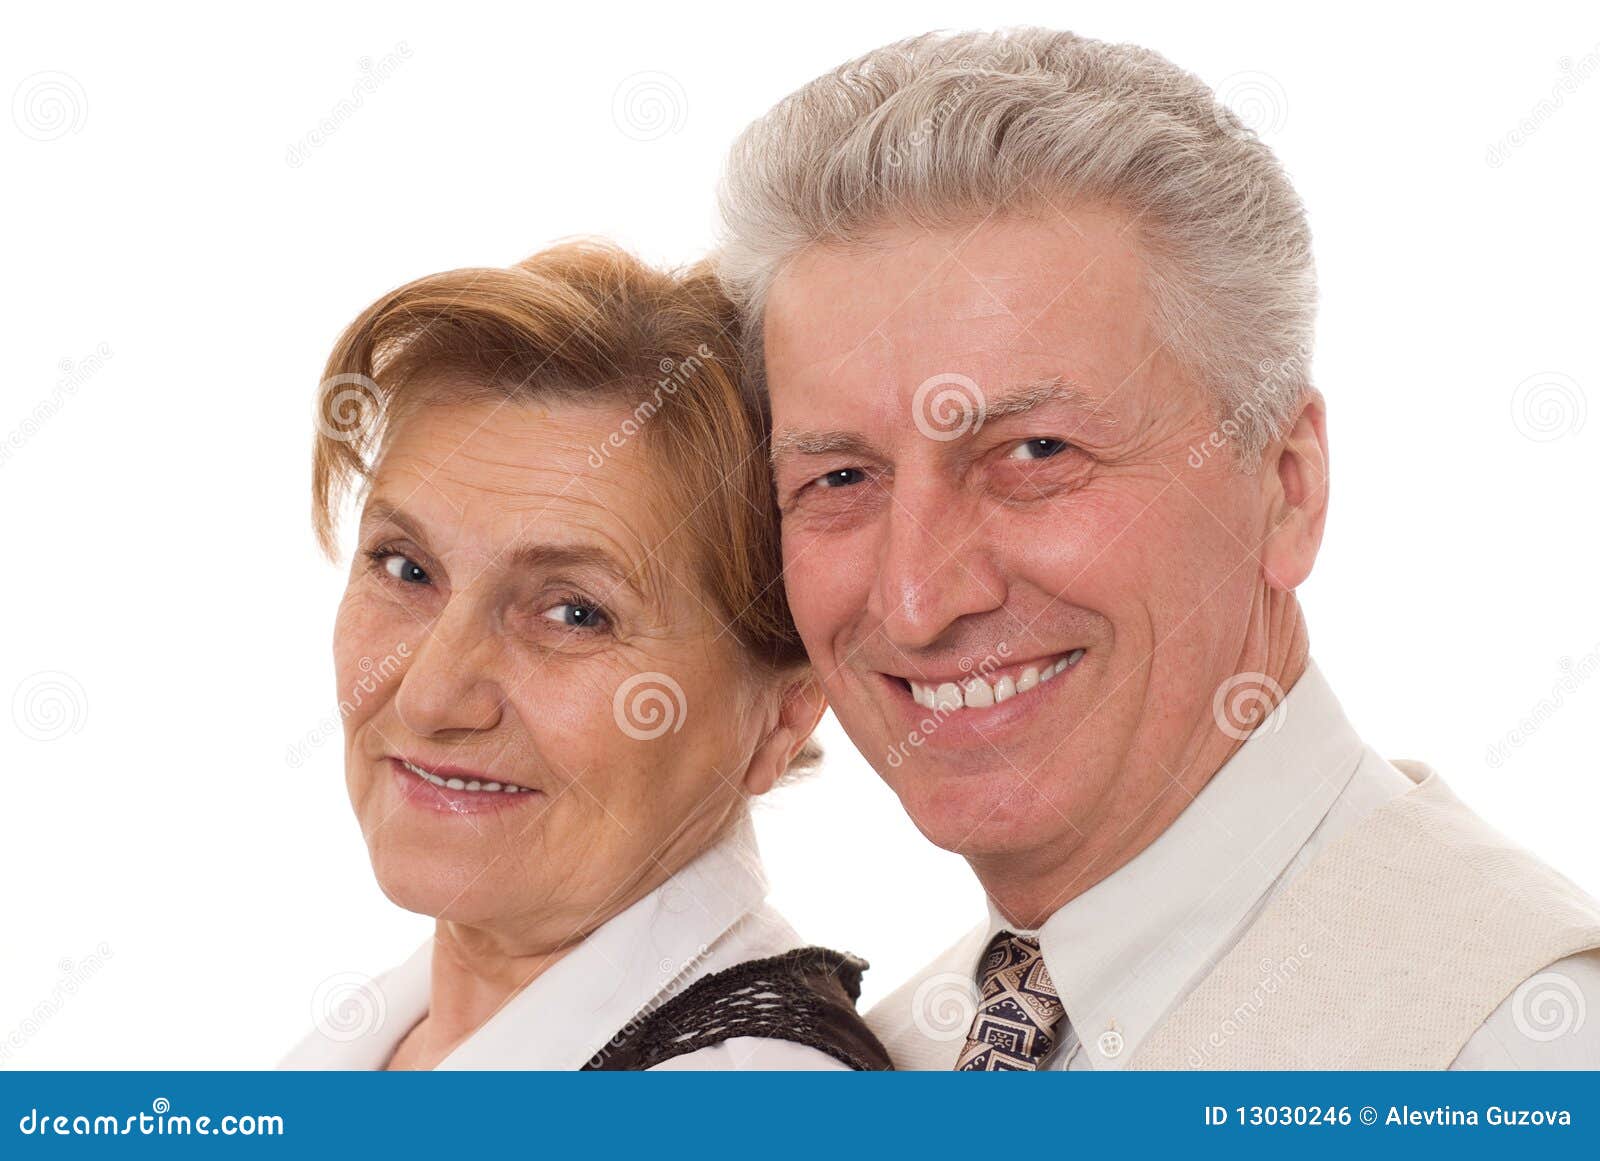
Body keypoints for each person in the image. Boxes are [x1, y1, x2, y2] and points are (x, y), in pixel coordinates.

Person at [713, 28, 1600, 1069]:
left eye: (1036, 452)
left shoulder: (1528, 1049)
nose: (916, 598)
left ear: (1286, 487)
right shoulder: (875, 1065)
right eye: (841, 479)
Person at [280, 241, 889, 1071]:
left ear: (783, 717)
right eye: (406, 568)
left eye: (575, 613)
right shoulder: (397, 1030)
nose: (428, 696)